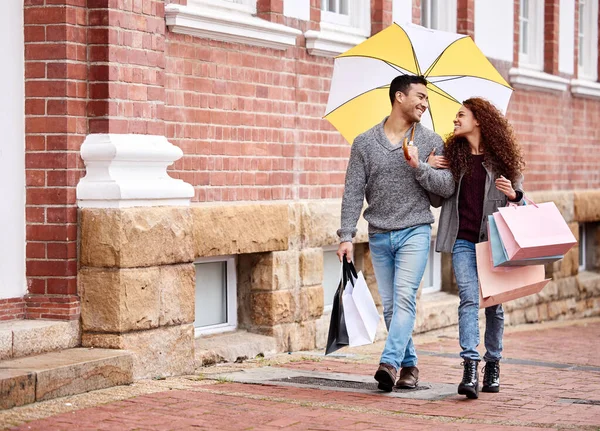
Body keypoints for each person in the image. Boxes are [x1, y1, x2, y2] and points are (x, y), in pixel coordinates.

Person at [336, 74, 455, 392]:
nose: (425, 104)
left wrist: (420, 166)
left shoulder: (431, 141)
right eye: (420, 96)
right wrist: (346, 235)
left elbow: (444, 192)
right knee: (390, 306)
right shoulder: (363, 143)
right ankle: (410, 366)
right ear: (399, 97)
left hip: (415, 231)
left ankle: (388, 363)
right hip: (378, 234)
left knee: (404, 300)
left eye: (427, 99)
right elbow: (352, 192)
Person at [430, 97, 525, 399]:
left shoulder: (502, 160)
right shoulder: (452, 156)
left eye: (461, 115)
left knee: (494, 306)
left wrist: (514, 195)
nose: (456, 120)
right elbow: (436, 199)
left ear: (479, 120)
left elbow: (522, 200)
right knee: (469, 300)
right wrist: (428, 168)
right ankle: (470, 366)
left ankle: (493, 363)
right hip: (462, 241)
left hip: (492, 243)